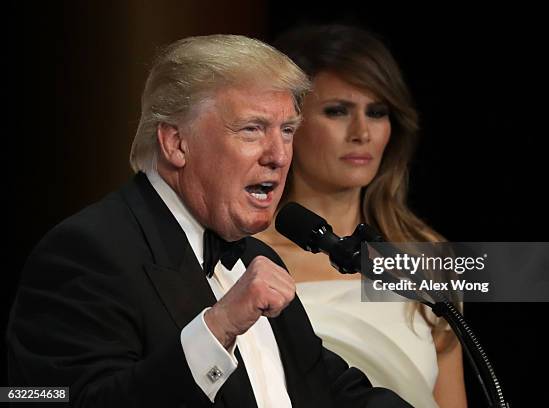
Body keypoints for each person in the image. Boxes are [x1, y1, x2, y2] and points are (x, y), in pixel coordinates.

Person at [7, 35, 414, 407]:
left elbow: (329, 390)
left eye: (287, 130)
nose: (279, 155)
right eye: (252, 129)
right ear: (176, 143)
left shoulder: (255, 255)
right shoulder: (85, 251)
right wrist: (217, 329)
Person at [256, 25, 467, 408]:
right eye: (337, 111)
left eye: (377, 112)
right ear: (287, 125)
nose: (361, 132)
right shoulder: (243, 255)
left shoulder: (424, 255)